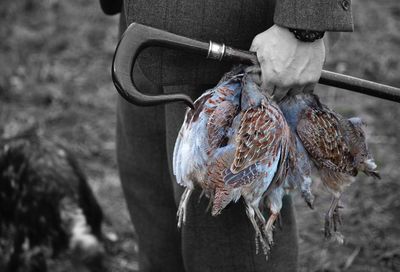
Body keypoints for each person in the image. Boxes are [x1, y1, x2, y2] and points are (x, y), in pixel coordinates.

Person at [100, 1, 353, 271]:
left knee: (232, 251)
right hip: (147, 27)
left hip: (235, 32)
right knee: (157, 234)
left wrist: (303, 28)